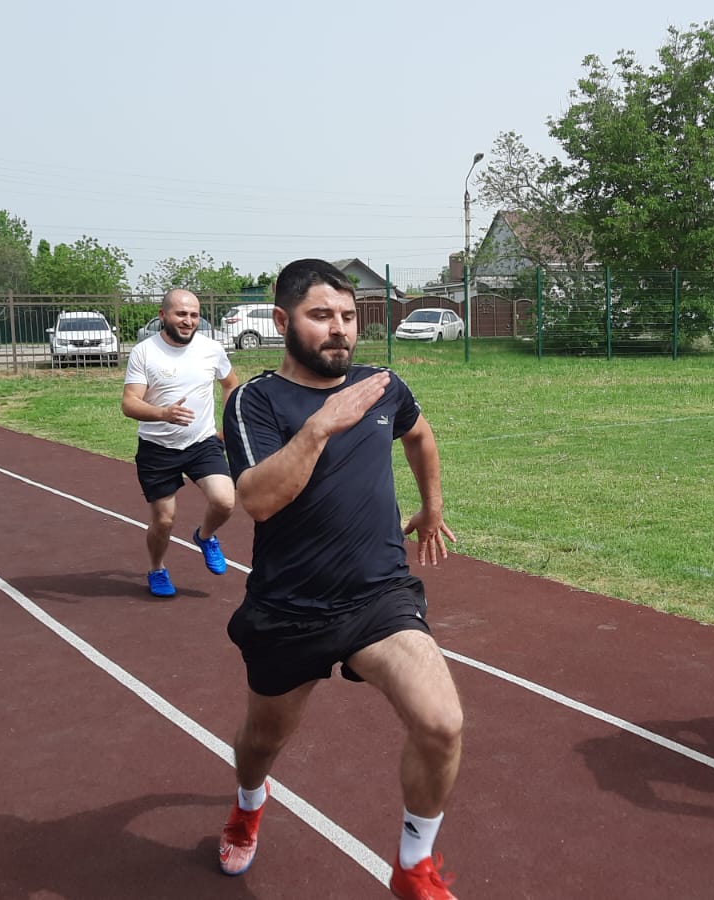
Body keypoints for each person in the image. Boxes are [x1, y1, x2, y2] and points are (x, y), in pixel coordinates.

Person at [217, 259, 464, 899]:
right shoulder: (254, 400)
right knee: (263, 740)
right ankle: (248, 804)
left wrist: (432, 505)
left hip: (379, 597)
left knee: (441, 722)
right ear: (283, 321)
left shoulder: (382, 387)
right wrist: (322, 423)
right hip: (289, 608)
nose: (340, 329)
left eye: (349, 316)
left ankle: (413, 866)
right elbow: (258, 499)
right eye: (321, 315)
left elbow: (420, 436)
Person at [120, 288, 240, 597]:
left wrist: (226, 427)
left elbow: (230, 383)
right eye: (181, 314)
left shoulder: (211, 349)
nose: (188, 321)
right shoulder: (144, 352)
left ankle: (205, 536)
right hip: (157, 449)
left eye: (194, 315)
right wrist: (163, 413)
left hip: (202, 443)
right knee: (164, 520)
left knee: (225, 501)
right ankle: (157, 569)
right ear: (163, 315)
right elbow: (129, 403)